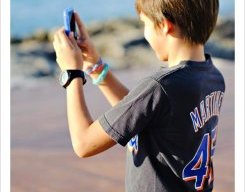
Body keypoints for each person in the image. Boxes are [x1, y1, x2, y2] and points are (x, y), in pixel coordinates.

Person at [53, 0, 225, 191]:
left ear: (165, 25)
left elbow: (83, 143)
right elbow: (139, 115)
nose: (145, 32)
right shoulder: (213, 78)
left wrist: (72, 73)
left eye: (145, 23)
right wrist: (95, 66)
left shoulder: (161, 87)